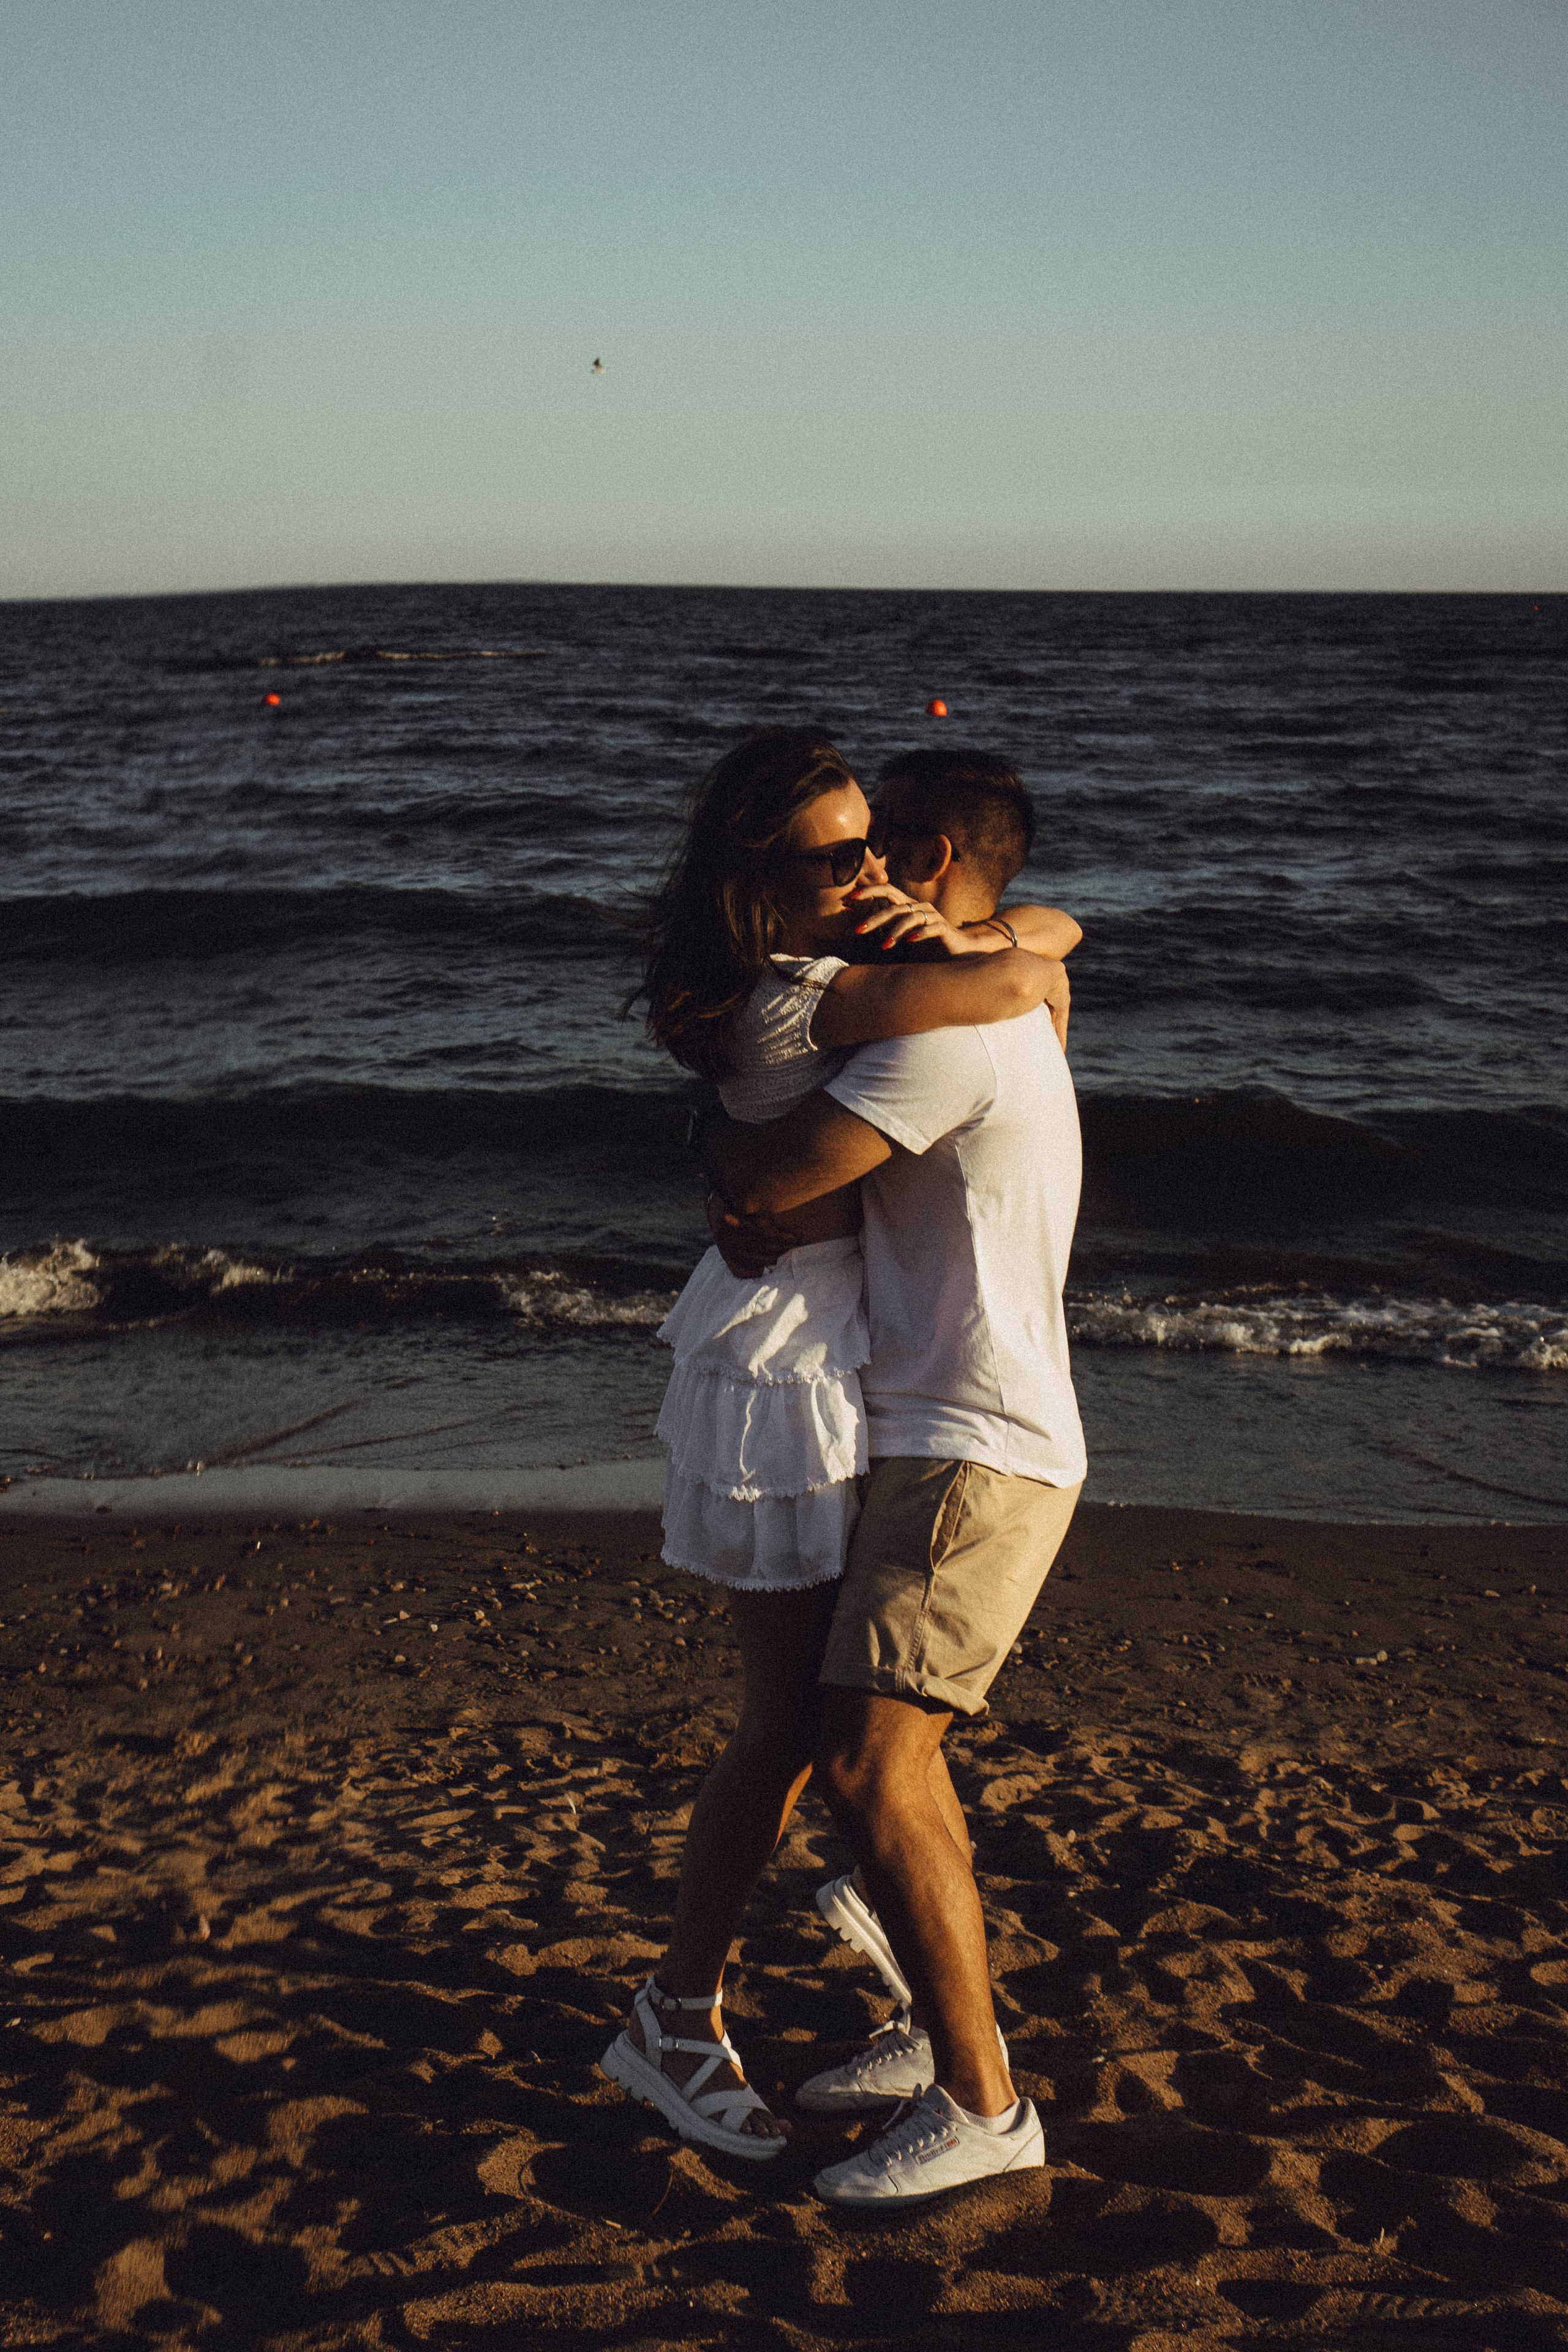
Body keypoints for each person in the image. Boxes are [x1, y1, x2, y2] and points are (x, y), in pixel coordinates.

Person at [600, 729, 1074, 2162]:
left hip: (843, 1360)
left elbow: (1027, 956)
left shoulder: (838, 989)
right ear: (762, 884)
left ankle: (850, 1979)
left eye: (875, 843)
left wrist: (994, 928)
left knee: (833, 1731)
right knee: (802, 1729)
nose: (865, 868)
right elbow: (1024, 974)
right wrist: (992, 932)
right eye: (834, 854)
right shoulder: (826, 997)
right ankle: (683, 2018)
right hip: (788, 1367)